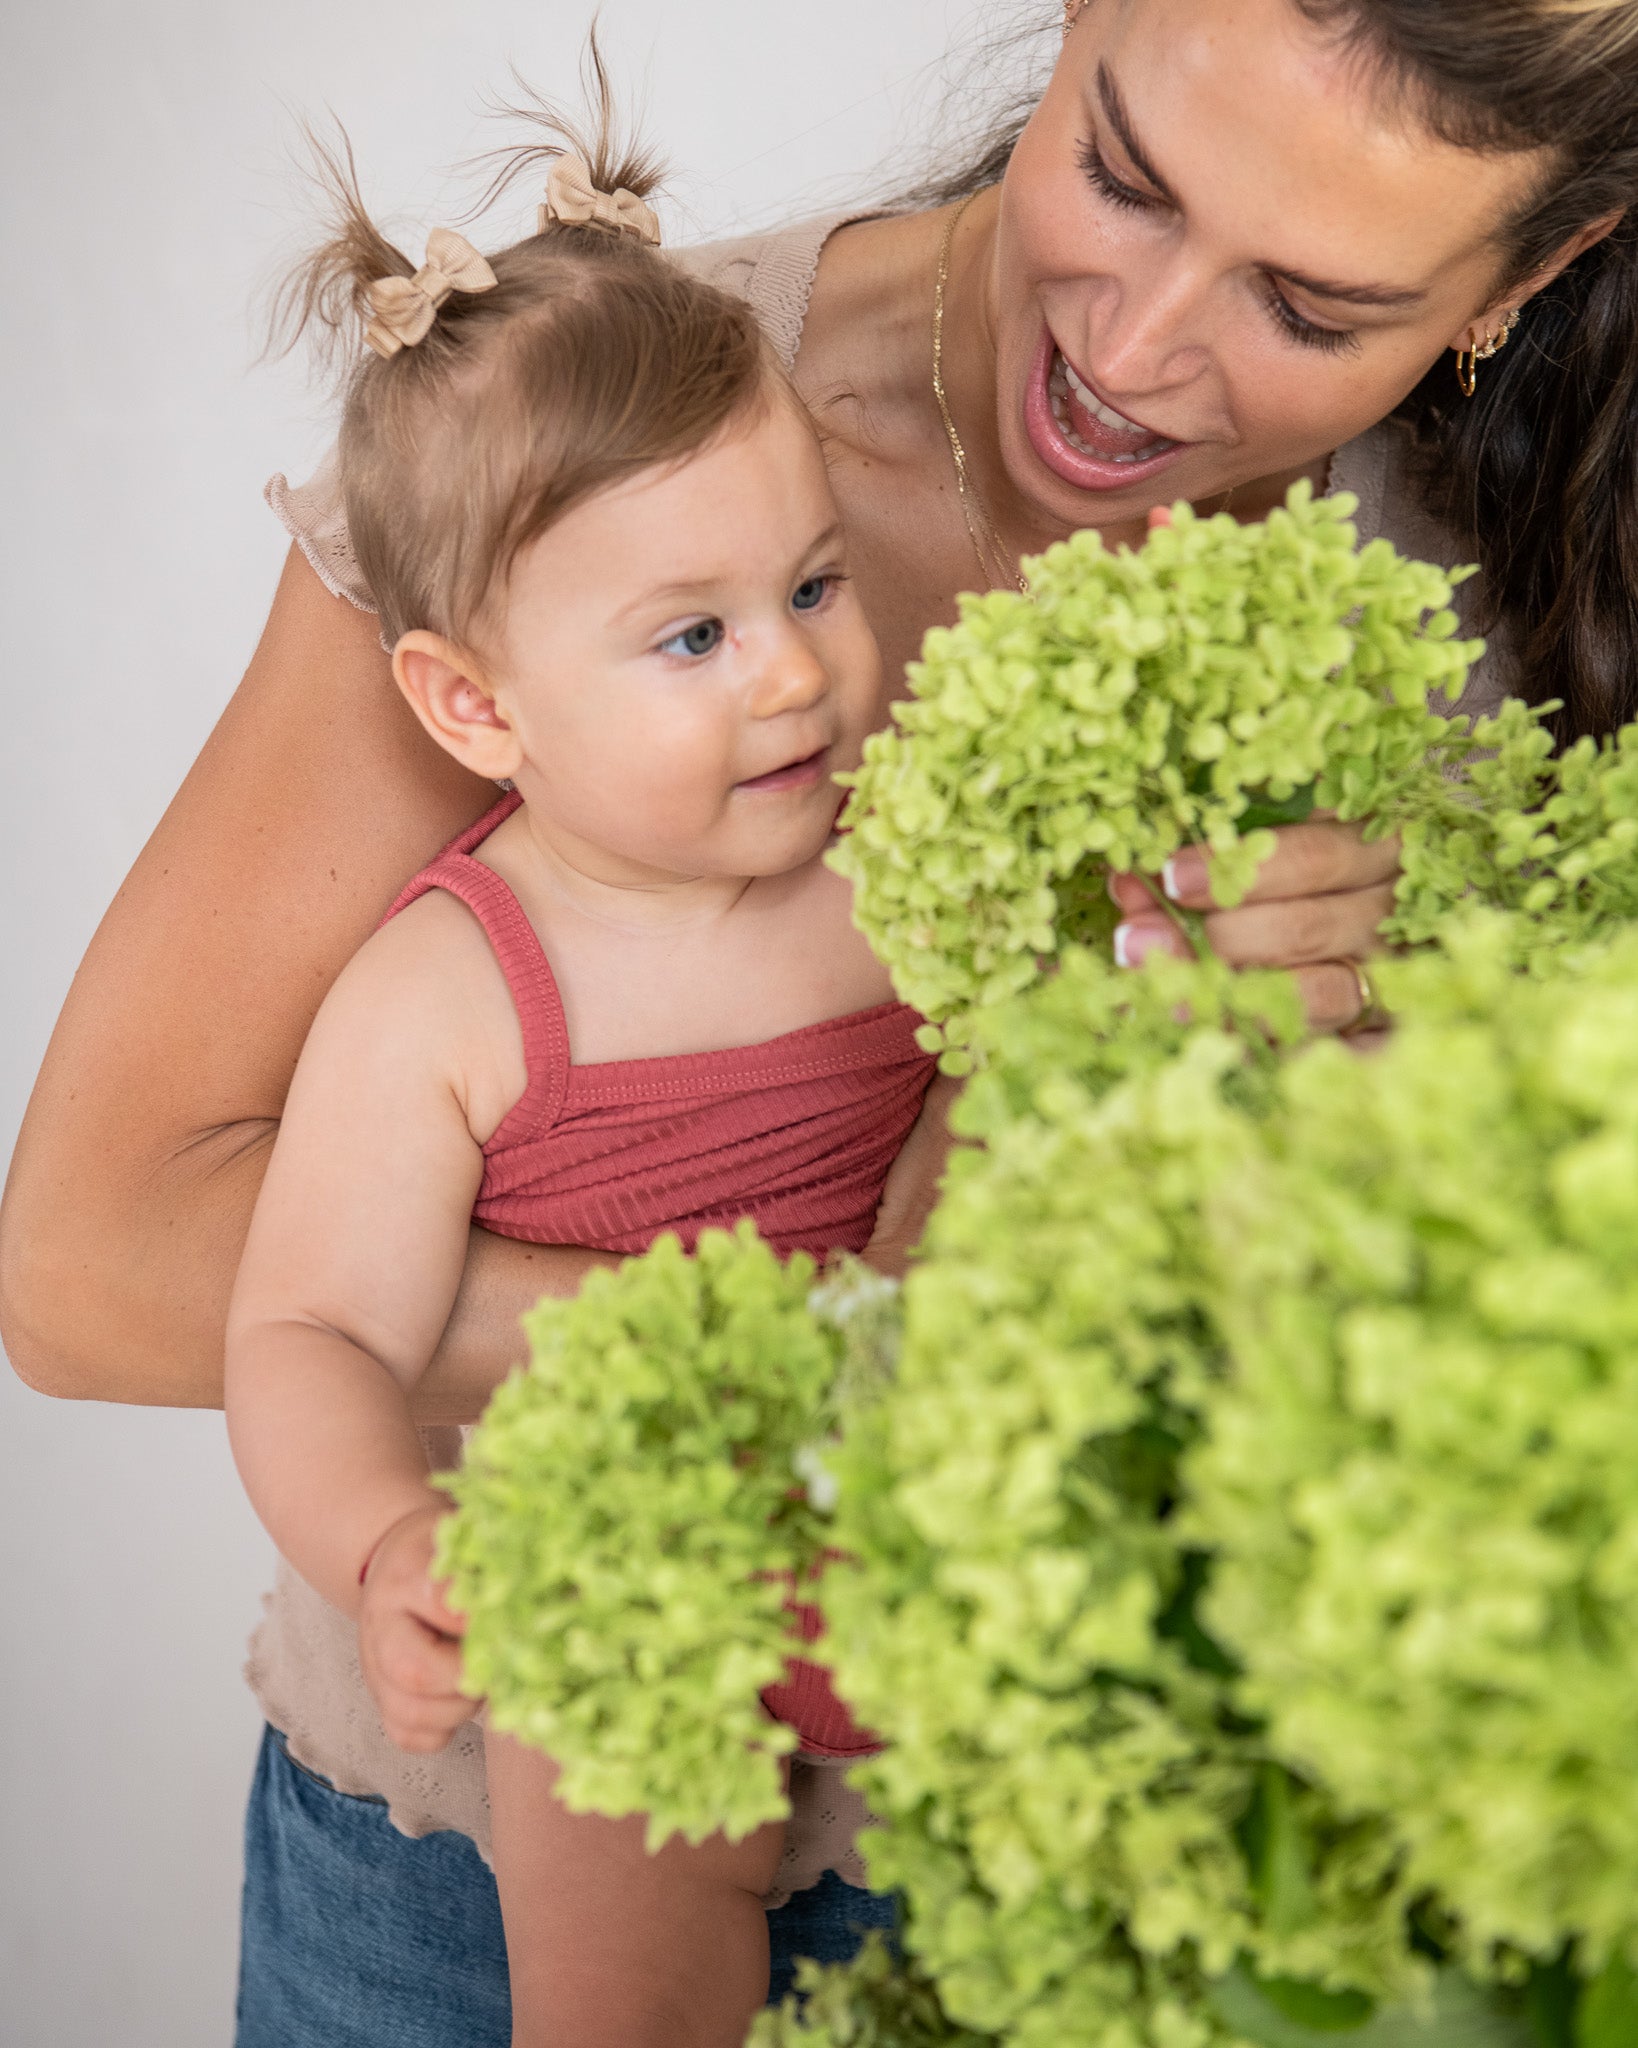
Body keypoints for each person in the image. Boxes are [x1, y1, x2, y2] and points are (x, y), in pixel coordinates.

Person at [4, 0, 1637, 2039]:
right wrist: (819, 1342)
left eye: (1313, 305)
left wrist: (1410, 1066)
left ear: (1537, 271)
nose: (1131, 353)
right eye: (1124, 174)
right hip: (491, 1854)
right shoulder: (578, 444)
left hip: (1118, 1858)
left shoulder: (1520, 596)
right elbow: (86, 1266)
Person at [222, 123, 928, 2048]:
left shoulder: (903, 863)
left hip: (915, 1539)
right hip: (622, 1570)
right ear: (475, 705)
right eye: (691, 638)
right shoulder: (451, 990)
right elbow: (297, 1328)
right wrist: (388, 1540)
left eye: (810, 587)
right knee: (625, 1930)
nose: (792, 677)